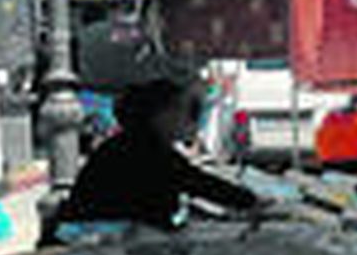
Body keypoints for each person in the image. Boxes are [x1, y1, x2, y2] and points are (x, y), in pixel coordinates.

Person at [53, 78, 261, 235]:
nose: (192, 120)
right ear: (162, 114)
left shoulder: (132, 144)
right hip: (105, 244)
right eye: (186, 110)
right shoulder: (146, 151)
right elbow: (198, 183)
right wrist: (253, 202)